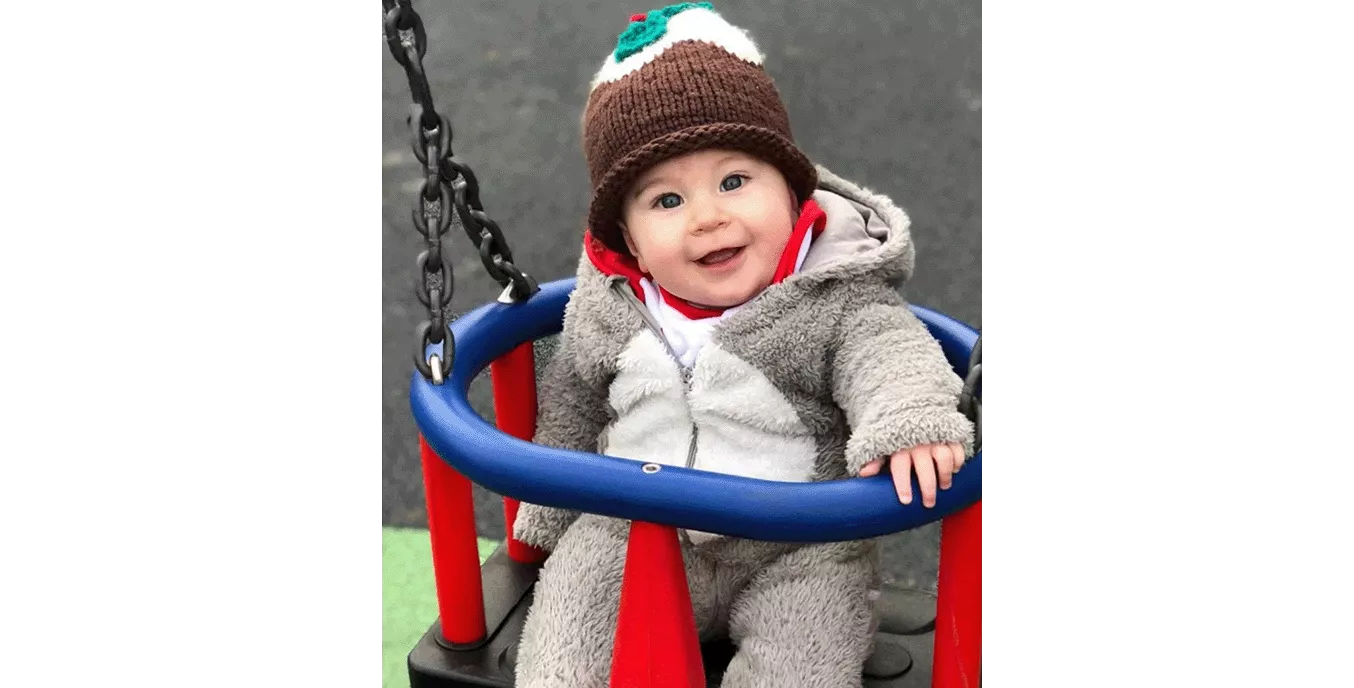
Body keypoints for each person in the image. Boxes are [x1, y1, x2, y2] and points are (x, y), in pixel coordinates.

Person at [510, 3, 976, 686]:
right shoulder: (610, 302)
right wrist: (546, 506)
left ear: (791, 189)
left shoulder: (834, 291)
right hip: (636, 532)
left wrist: (907, 419)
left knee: (807, 659)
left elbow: (889, 352)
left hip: (797, 549)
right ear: (629, 239)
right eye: (665, 201)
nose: (708, 217)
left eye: (734, 181)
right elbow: (577, 392)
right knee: (565, 636)